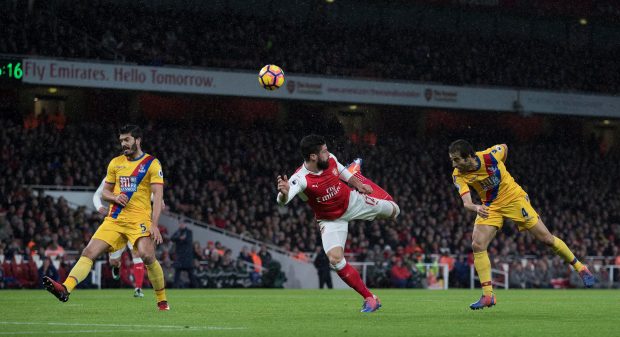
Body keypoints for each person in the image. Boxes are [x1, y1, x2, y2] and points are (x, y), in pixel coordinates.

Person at [449, 139, 596, 310]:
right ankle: (488, 295)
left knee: (547, 239)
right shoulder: (458, 174)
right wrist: (476, 207)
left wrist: (503, 173)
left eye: (457, 159)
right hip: (489, 206)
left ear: (469, 157)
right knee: (477, 244)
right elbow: (466, 203)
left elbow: (504, 147)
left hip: (515, 200)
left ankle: (581, 268)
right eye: (452, 159)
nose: (454, 163)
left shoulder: (490, 156)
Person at [43, 124, 170, 310]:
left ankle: (162, 300)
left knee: (146, 255)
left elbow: (158, 196)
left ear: (138, 140)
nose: (123, 144)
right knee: (88, 252)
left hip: (139, 221)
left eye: (127, 140)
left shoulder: (152, 163)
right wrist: (115, 197)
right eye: (121, 141)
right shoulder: (115, 163)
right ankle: (65, 288)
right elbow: (105, 193)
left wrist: (155, 224)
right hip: (114, 220)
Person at [276, 134, 400, 313]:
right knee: (335, 260)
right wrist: (285, 193)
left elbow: (342, 172)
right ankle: (370, 298)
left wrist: (358, 183)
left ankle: (359, 173)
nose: (328, 153)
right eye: (324, 151)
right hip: (330, 220)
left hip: (351, 202)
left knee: (395, 211)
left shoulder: (330, 159)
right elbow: (282, 201)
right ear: (313, 156)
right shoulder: (301, 178)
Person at [170, 222, 198, 288]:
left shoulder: (189, 232)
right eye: (180, 223)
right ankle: (175, 287)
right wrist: (180, 238)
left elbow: (188, 240)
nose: (181, 225)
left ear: (185, 224)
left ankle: (196, 287)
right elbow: (172, 238)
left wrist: (180, 239)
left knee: (191, 274)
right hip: (180, 256)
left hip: (187, 256)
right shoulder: (178, 232)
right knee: (177, 273)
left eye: (182, 224)